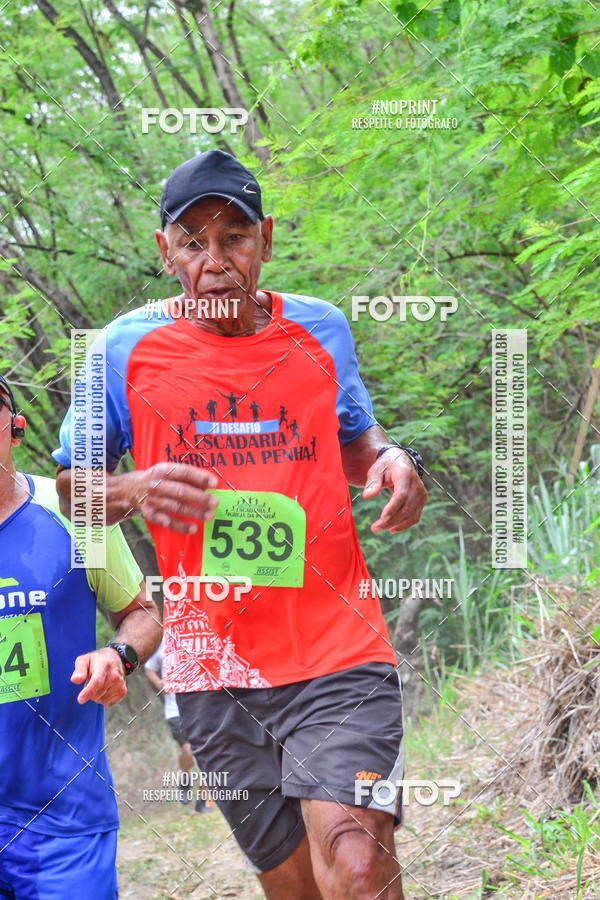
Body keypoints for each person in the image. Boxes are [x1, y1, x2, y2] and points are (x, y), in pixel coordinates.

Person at [53, 150, 428, 899]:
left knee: (355, 858)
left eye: (235, 238)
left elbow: (354, 442)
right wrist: (132, 487)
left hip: (337, 646)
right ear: (166, 253)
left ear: (267, 240)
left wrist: (390, 460)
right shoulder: (120, 351)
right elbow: (72, 493)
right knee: (296, 887)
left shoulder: (319, 329)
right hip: (212, 669)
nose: (216, 261)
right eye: (194, 242)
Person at [0, 374, 162, 899]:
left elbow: (143, 614)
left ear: (15, 428)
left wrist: (118, 655)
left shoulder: (72, 514)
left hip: (61, 814)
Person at [145, 637, 212, 813]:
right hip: (175, 711)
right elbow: (149, 669)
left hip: (200, 709)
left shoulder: (198, 641)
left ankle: (203, 801)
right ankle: (184, 779)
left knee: (205, 754)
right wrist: (159, 683)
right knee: (189, 752)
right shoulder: (162, 644)